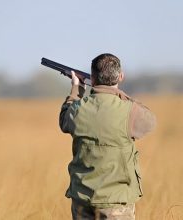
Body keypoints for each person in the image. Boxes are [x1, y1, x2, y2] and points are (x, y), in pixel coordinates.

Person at [59, 53, 156, 220]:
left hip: (82, 199)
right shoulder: (128, 110)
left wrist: (77, 88)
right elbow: (150, 121)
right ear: (121, 76)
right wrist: (119, 94)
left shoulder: (78, 109)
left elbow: (64, 120)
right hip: (117, 202)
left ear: (93, 78)